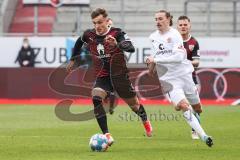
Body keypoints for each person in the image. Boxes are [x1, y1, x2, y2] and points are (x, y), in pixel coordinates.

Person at [66, 8, 153, 146]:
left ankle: (146, 122)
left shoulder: (117, 33)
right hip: (103, 77)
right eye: (94, 23)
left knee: (135, 106)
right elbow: (79, 42)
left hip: (119, 76)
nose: (97, 26)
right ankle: (107, 135)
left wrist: (116, 44)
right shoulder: (89, 35)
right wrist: (73, 59)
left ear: (107, 21)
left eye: (100, 22)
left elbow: (130, 48)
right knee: (96, 98)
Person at [145, 10, 213, 147]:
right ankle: (204, 136)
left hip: (184, 75)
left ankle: (185, 107)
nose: (157, 21)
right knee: (183, 106)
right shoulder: (152, 37)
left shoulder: (175, 34)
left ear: (168, 19)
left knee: (198, 108)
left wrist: (156, 60)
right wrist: (151, 68)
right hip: (169, 79)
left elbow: (178, 57)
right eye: (156, 19)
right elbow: (156, 54)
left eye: (160, 19)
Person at [177, 15, 202, 140]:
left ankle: (196, 130)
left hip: (190, 78)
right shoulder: (173, 41)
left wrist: (184, 62)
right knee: (180, 105)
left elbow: (196, 62)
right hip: (176, 79)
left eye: (185, 24)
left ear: (189, 26)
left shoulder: (194, 42)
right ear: (177, 26)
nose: (183, 27)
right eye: (180, 25)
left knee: (196, 107)